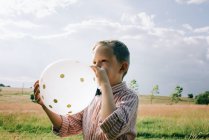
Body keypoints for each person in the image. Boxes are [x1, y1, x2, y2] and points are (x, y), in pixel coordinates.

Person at [34, 40, 139, 140]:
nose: (96, 66)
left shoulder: (129, 97)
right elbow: (68, 126)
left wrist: (104, 84)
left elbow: (112, 130)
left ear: (122, 67)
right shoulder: (90, 96)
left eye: (103, 61)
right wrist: (46, 105)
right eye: (94, 62)